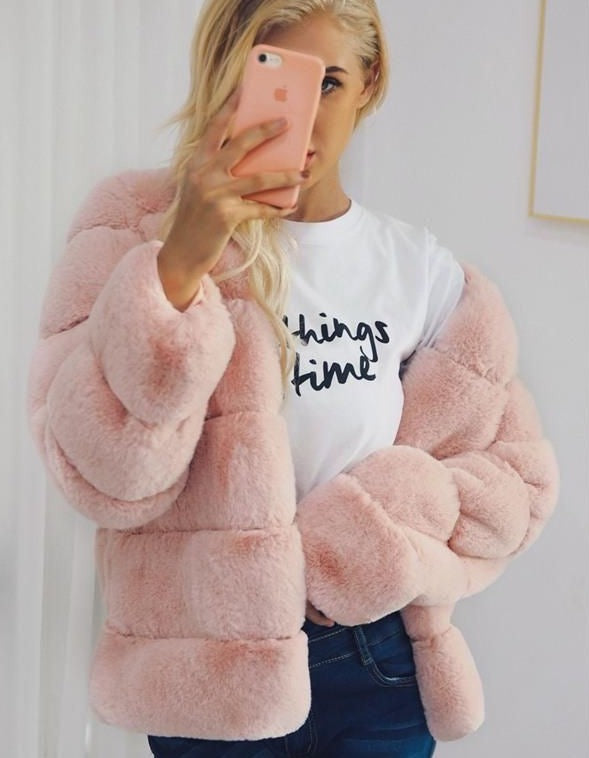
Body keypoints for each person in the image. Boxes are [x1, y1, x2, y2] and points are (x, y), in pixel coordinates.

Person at [26, 1, 560, 757]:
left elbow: (514, 482)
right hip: (208, 677)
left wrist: (365, 541)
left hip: (376, 664)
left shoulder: (420, 272)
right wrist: (178, 268)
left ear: (370, 82)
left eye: (329, 83)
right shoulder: (134, 228)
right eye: (270, 81)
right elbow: (103, 475)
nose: (299, 120)